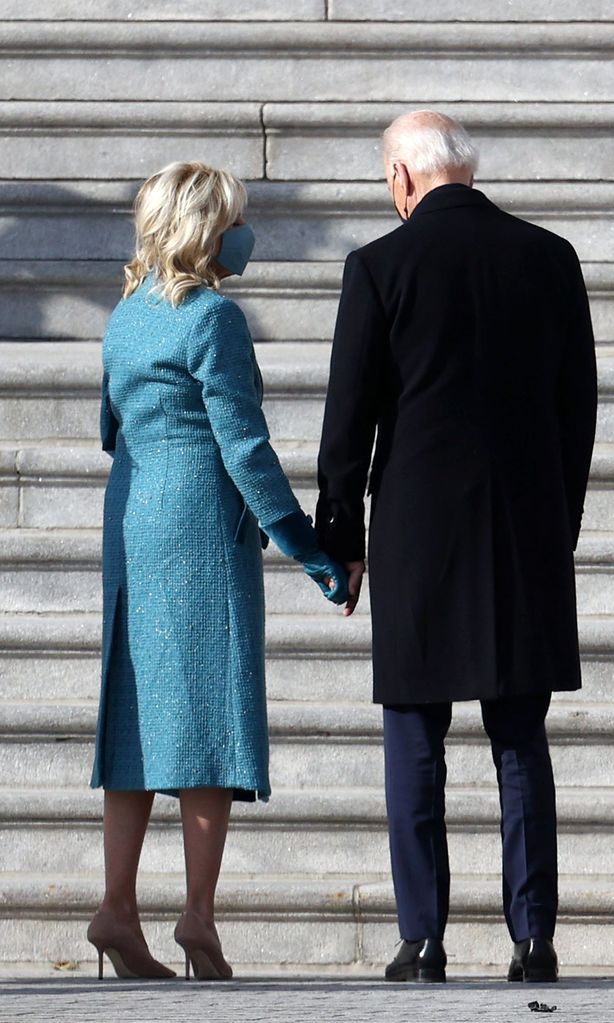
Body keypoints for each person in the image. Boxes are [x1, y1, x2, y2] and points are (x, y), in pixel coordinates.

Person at [315, 111, 597, 983]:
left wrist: (343, 537)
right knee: (520, 735)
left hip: (416, 532)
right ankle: (533, 936)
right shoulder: (551, 257)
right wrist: (559, 522)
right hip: (524, 530)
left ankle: (423, 936)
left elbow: (347, 422)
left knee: (414, 733)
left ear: (402, 177)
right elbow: (577, 412)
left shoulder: (378, 266)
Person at [87, 161, 348, 982]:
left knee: (133, 712)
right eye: (237, 219)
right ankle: (197, 915)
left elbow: (109, 427)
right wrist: (307, 547)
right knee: (206, 714)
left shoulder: (124, 316)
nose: (247, 232)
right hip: (201, 523)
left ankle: (115, 906)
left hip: (133, 517)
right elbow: (243, 446)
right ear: (207, 231)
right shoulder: (214, 317)